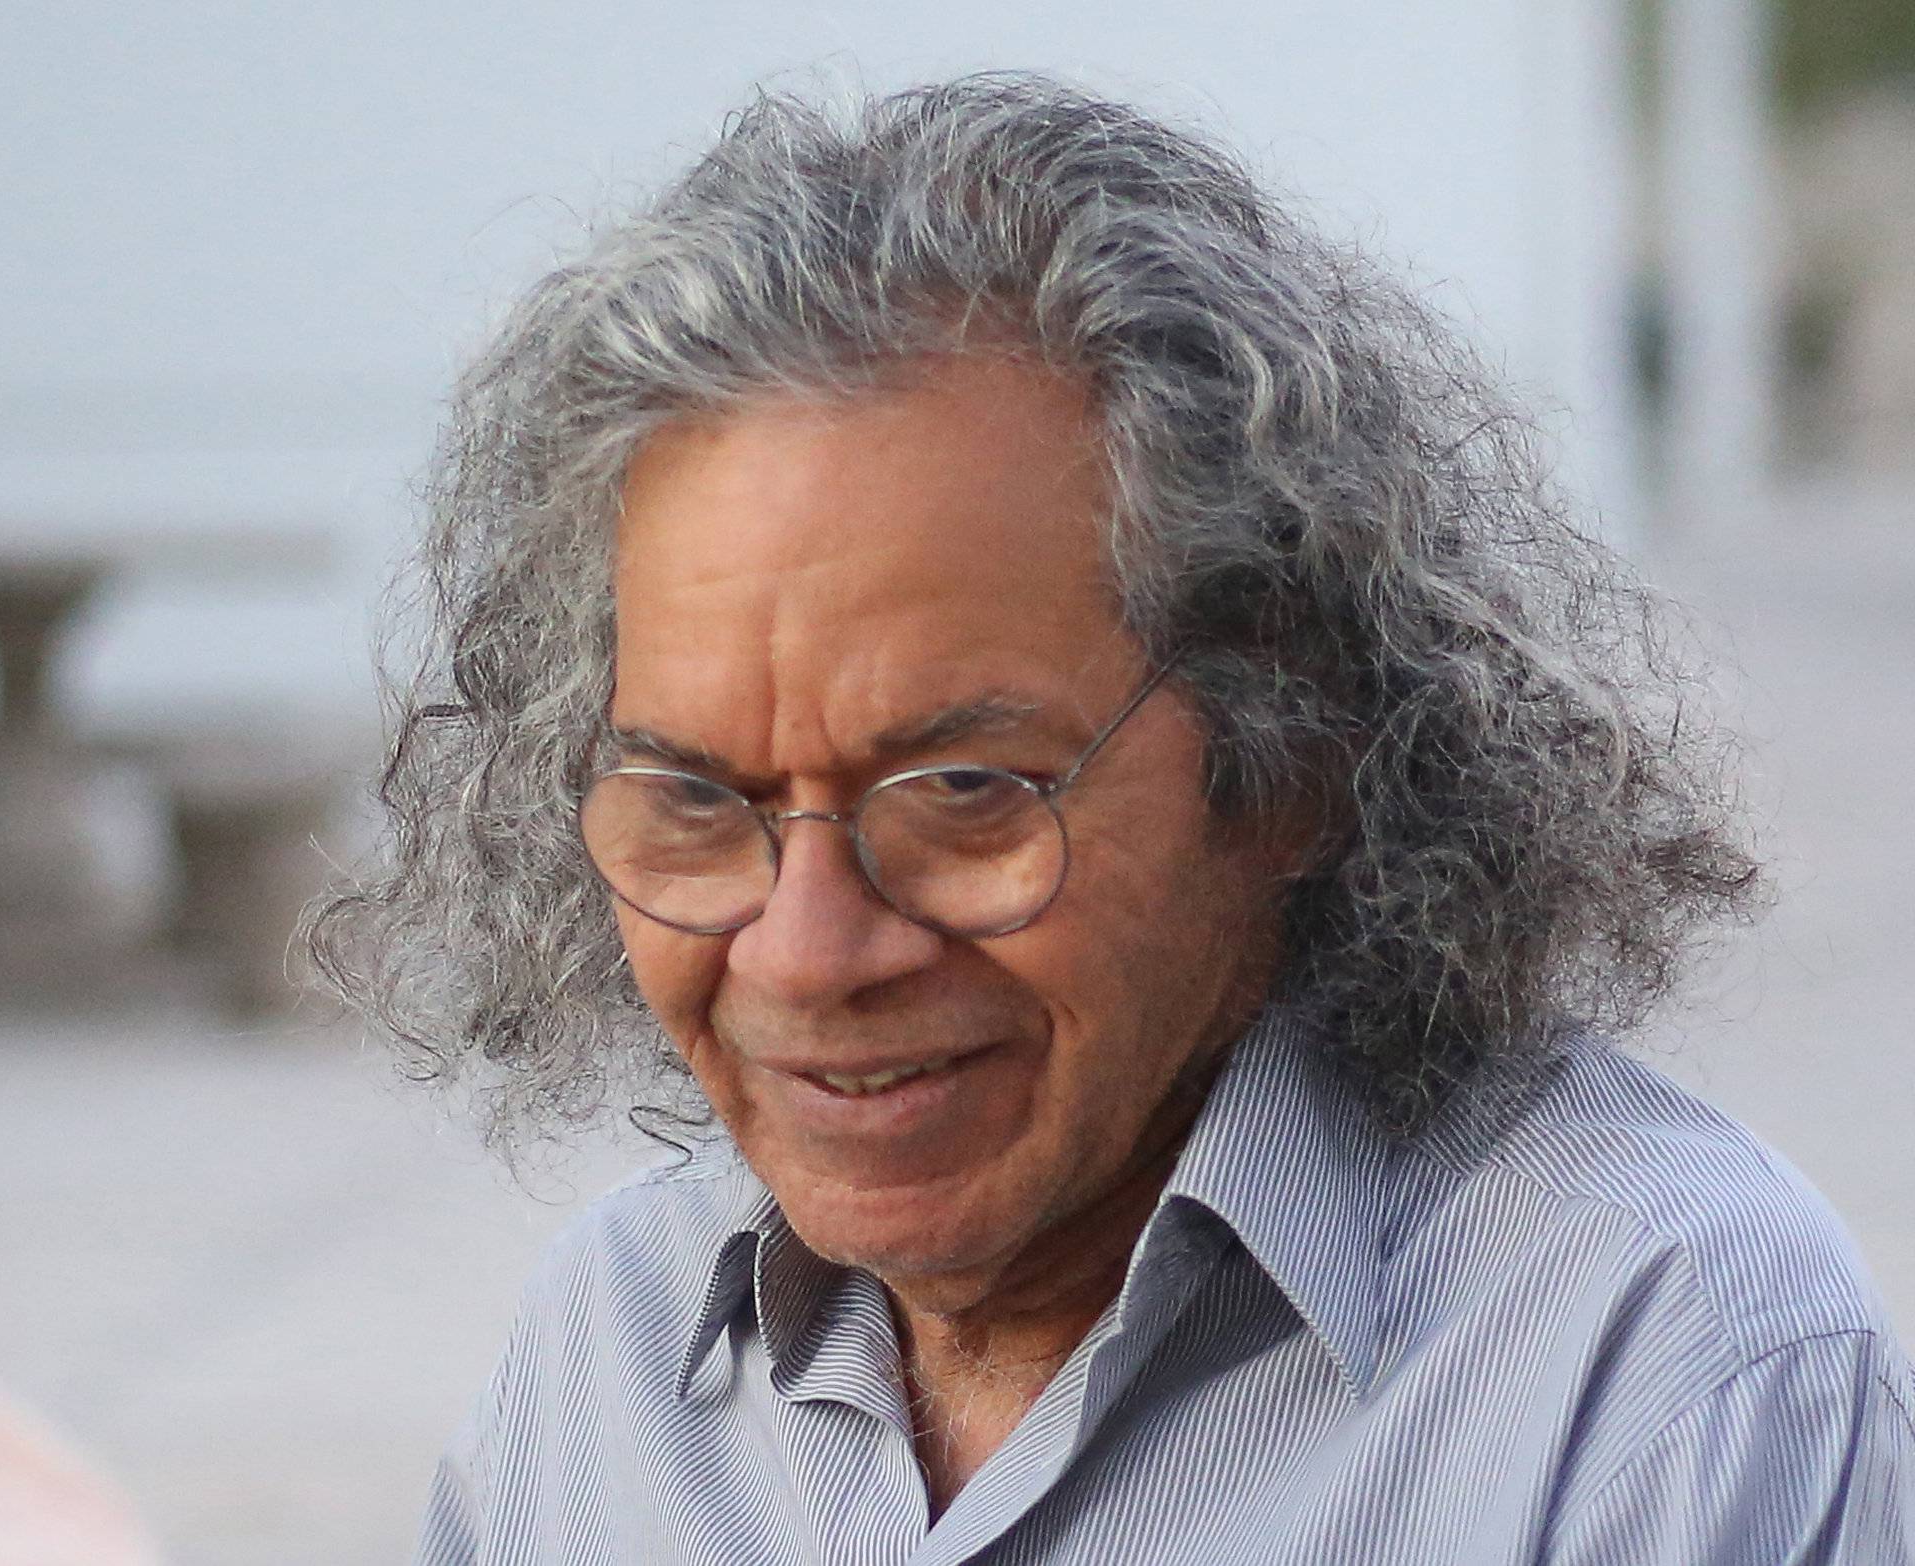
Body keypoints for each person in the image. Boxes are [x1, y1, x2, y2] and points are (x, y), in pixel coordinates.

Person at [308, 75, 1914, 1563]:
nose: (805, 953)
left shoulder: (1665, 1382)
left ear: (1285, 757)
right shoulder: (611, 1354)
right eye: (692, 799)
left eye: (960, 794)